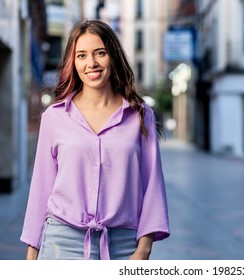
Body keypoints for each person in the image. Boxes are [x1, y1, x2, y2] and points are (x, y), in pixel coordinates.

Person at [20, 19, 170, 260]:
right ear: (74, 62)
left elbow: (152, 184)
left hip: (123, 246)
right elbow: (41, 186)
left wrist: (143, 249)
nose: (91, 63)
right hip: (61, 244)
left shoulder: (140, 115)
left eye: (100, 53)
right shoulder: (55, 117)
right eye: (82, 55)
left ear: (113, 56)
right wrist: (31, 254)